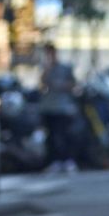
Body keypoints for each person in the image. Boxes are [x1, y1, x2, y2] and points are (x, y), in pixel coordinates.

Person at [37, 39, 79, 175]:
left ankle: (68, 160)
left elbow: (73, 85)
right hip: (48, 107)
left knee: (65, 135)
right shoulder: (44, 68)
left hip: (63, 107)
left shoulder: (65, 68)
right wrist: (47, 68)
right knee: (51, 136)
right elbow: (41, 84)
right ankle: (54, 161)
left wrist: (61, 85)